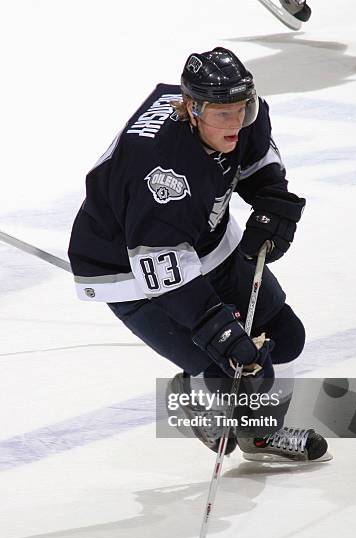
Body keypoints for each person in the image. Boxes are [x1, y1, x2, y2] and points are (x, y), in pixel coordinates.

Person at [68, 47, 330, 462]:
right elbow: (163, 270)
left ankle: (256, 431)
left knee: (286, 337)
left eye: (242, 109)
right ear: (192, 109)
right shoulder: (161, 174)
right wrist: (217, 329)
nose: (237, 123)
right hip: (130, 268)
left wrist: (271, 199)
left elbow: (256, 158)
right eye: (223, 114)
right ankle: (198, 396)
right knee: (223, 365)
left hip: (205, 236)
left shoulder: (243, 112)